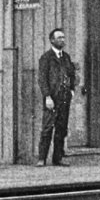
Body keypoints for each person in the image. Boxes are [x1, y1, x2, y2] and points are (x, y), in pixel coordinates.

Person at [36, 27, 76, 166]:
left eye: (63, 37)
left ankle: (57, 159)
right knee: (47, 128)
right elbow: (42, 79)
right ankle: (42, 159)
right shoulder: (46, 58)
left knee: (61, 129)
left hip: (65, 99)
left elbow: (72, 74)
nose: (62, 40)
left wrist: (72, 90)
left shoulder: (66, 57)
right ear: (52, 40)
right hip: (52, 99)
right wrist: (47, 96)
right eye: (59, 38)